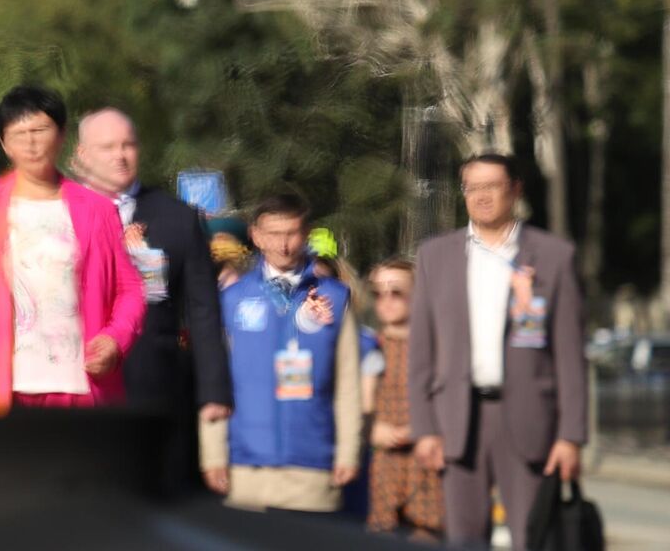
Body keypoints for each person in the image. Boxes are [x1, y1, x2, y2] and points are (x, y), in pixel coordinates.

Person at [408, 154, 585, 550]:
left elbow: (571, 356)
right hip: (457, 418)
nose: (482, 197)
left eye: (492, 186)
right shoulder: (435, 256)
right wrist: (424, 429)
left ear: (515, 190)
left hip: (529, 418)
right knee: (464, 539)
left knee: (533, 538)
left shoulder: (554, 256)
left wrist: (571, 435)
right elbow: (421, 352)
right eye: (473, 188)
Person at [0, 85, 144, 414]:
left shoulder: (98, 210)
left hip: (80, 386)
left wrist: (115, 339)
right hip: (2, 388)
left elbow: (130, 288)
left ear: (62, 136)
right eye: (18, 134)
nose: (31, 143)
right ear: (4, 144)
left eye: (40, 130)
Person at [72, 108, 232, 491]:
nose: (120, 156)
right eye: (108, 147)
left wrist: (213, 393)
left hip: (152, 386)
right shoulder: (60, 214)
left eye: (128, 145)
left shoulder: (176, 218)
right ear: (81, 155)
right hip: (75, 382)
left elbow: (203, 311)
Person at [200, 193, 360, 513]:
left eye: (292, 233)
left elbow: (348, 382)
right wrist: (213, 454)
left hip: (312, 465)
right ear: (256, 236)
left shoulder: (335, 297)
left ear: (307, 233)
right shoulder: (231, 300)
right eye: (273, 234)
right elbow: (216, 381)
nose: (283, 245)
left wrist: (349, 451)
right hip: (246, 466)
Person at [364, 258, 442, 540]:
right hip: (383, 466)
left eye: (396, 292)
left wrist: (423, 427)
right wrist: (372, 428)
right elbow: (359, 404)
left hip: (427, 466)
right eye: (378, 293)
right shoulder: (368, 346)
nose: (386, 300)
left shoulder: (439, 347)